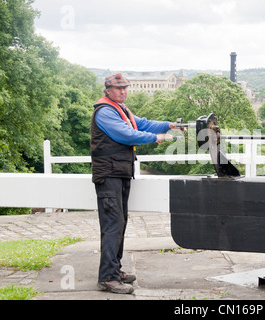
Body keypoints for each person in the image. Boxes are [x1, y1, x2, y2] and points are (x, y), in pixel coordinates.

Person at [90, 72, 181, 294]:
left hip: (119, 173)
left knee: (119, 224)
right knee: (113, 225)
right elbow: (128, 135)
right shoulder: (104, 112)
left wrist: (169, 126)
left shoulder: (122, 110)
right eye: (118, 89)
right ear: (108, 91)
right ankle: (108, 277)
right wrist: (157, 138)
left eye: (125, 88)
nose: (123, 91)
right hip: (109, 175)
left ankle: (114, 270)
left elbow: (144, 124)